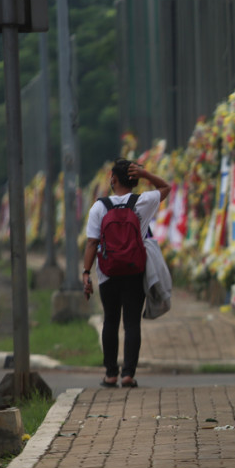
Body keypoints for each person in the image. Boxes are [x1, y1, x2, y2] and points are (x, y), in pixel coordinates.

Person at [82, 159, 170, 388]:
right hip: (134, 270)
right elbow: (166, 188)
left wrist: (86, 274)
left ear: (113, 179)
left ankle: (111, 374)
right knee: (131, 323)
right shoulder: (142, 201)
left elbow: (92, 243)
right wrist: (146, 174)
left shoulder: (99, 207)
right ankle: (128, 374)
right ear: (135, 180)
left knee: (110, 320)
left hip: (107, 273)